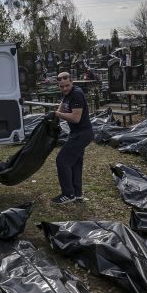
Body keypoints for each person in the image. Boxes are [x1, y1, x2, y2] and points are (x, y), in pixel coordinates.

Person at [52, 71, 93, 204]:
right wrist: (56, 113)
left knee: (62, 160)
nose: (64, 88)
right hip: (77, 133)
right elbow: (62, 107)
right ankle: (77, 193)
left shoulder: (77, 94)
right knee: (75, 162)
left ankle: (68, 194)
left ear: (72, 82)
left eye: (67, 85)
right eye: (61, 86)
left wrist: (57, 114)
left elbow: (76, 118)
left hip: (82, 134)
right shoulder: (67, 94)